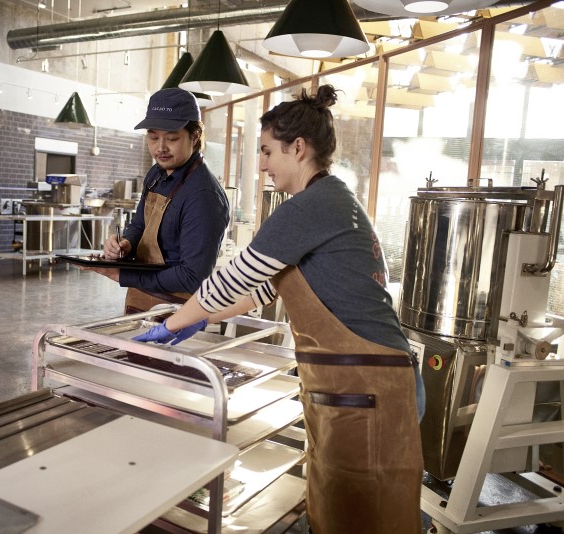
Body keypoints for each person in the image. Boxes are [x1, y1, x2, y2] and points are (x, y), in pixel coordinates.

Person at [134, 85, 425, 534]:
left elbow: (235, 276)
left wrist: (171, 322)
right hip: (362, 383)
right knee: (342, 508)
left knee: (367, 516)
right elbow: (264, 289)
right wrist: (206, 318)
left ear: (299, 148)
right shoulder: (329, 199)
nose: (264, 164)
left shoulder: (311, 206)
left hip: (371, 385)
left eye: (268, 152)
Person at [88, 88, 230, 314]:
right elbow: (139, 225)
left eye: (171, 138)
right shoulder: (156, 174)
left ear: (194, 137)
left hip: (177, 312)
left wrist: (123, 275)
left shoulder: (204, 196)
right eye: (153, 137)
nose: (160, 148)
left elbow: (192, 277)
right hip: (140, 300)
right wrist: (126, 244)